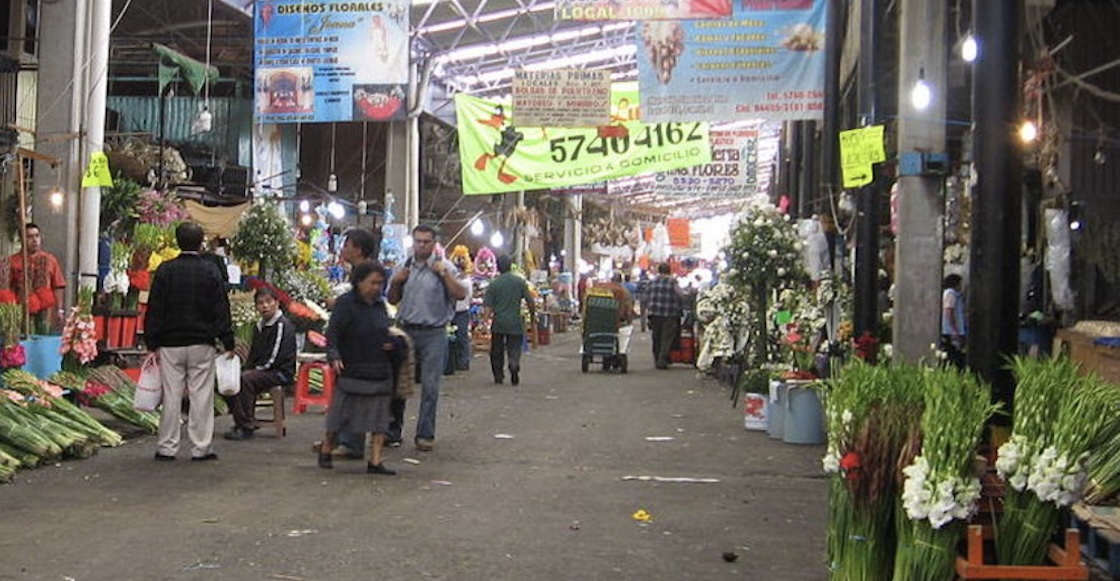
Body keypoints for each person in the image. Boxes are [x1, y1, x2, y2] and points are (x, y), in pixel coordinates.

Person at [144, 222, 234, 462]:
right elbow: (221, 309)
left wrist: (151, 342)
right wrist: (228, 340)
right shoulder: (210, 271)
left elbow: (155, 308)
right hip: (201, 344)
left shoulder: (165, 270)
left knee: (171, 396)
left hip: (170, 344)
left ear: (177, 241)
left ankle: (166, 447)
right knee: (201, 396)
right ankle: (201, 447)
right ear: (201, 242)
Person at [387, 225, 467, 452]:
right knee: (398, 384)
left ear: (434, 244)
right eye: (418, 241)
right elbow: (392, 299)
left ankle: (424, 434)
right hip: (405, 330)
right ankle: (392, 431)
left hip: (434, 332)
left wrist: (443, 273)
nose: (421, 245)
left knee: (430, 386)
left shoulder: (444, 267)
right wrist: (396, 281)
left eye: (426, 242)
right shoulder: (404, 267)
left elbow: (460, 294)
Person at [319, 262, 404, 475]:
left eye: (380, 283)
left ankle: (375, 461)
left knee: (379, 419)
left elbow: (386, 330)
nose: (377, 287)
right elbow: (333, 334)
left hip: (378, 368)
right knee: (340, 416)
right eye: (373, 282)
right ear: (359, 282)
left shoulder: (379, 305)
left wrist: (392, 344)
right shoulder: (345, 304)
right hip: (351, 368)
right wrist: (334, 356)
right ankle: (327, 449)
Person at [330, 227, 384, 456]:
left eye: (347, 245)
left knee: (356, 393)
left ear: (358, 249)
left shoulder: (370, 274)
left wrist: (341, 304)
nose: (343, 250)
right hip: (352, 339)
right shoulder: (353, 272)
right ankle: (342, 439)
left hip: (364, 342)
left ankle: (351, 443)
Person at [223, 287, 297, 441]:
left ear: (277, 303)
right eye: (260, 303)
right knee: (230, 381)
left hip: (280, 372)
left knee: (246, 379)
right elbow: (254, 354)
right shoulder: (259, 325)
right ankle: (242, 421)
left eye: (269, 302)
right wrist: (245, 368)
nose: (265, 306)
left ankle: (246, 426)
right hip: (263, 371)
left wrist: (255, 370)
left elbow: (275, 357)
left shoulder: (283, 325)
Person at [483, 255, 535, 386]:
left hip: (499, 322)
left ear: (498, 267)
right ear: (511, 265)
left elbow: (488, 307)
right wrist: (533, 316)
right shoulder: (519, 282)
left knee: (497, 351)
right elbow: (530, 300)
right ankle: (514, 364)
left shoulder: (494, 284)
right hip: (515, 321)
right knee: (514, 347)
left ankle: (498, 375)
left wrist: (484, 322)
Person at [10, 223, 66, 334]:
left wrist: (60, 310)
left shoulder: (50, 260)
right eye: (30, 237)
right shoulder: (13, 261)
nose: (34, 240)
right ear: (21, 240)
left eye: (37, 236)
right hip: (21, 312)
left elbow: (58, 285)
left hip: (46, 313)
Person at [643, 263, 684, 370]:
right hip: (669, 314)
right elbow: (680, 295)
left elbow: (645, 297)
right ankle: (662, 359)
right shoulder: (673, 282)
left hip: (654, 314)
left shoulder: (651, 282)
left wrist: (647, 309)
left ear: (659, 271)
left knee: (656, 337)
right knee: (666, 338)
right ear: (669, 271)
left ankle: (657, 359)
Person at [451, 256, 474, 372]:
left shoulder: (466, 282)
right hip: (452, 312)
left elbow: (467, 296)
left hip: (462, 312)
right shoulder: (454, 280)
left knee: (461, 337)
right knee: (453, 338)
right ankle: (454, 362)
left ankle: (464, 362)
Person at [941, 274, 967, 369]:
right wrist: (954, 329)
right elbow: (949, 311)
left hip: (952, 330)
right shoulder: (951, 293)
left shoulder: (954, 295)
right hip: (950, 331)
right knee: (953, 355)